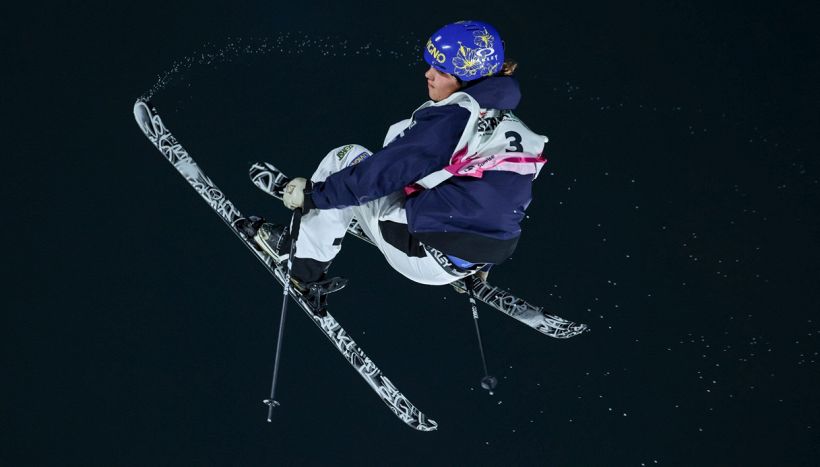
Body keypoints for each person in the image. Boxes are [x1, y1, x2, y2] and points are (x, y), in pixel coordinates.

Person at [251, 20, 547, 298]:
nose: (428, 74)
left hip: (423, 255)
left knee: (347, 158)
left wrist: (313, 196)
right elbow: (506, 198)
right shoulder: (508, 125)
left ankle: (301, 266)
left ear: (468, 76)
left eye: (441, 71)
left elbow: (382, 173)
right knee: (430, 176)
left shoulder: (455, 119)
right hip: (473, 256)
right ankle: (463, 264)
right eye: (431, 65)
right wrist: (480, 261)